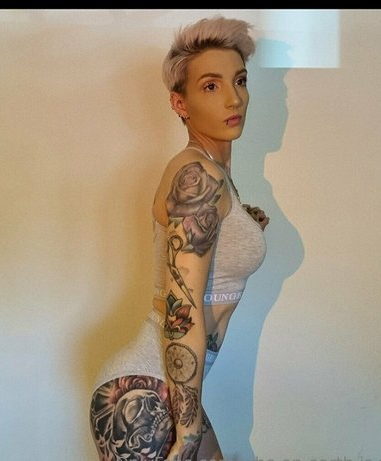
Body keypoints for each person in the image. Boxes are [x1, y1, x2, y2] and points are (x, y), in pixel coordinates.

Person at [89, 15, 269, 461]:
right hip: (143, 398)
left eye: (240, 80)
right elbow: (181, 309)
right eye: (210, 86)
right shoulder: (197, 174)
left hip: (167, 389)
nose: (234, 97)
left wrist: (245, 225)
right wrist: (187, 432)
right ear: (179, 102)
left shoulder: (213, 175)